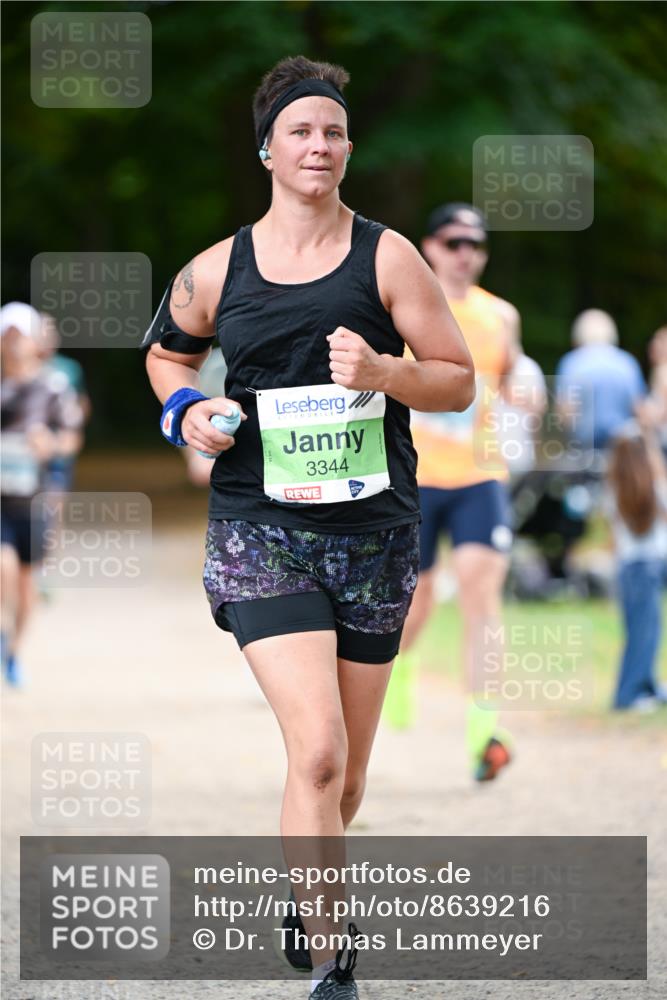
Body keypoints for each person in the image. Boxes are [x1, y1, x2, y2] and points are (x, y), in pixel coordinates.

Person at [142, 56, 474, 999]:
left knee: (348, 778)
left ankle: (306, 890)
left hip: (373, 532)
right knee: (317, 750)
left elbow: (456, 379)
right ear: (268, 149)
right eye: (301, 130)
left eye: (332, 131)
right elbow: (168, 357)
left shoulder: (389, 256)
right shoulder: (216, 268)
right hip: (261, 528)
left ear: (348, 149)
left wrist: (384, 373)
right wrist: (184, 415)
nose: (318, 145)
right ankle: (335, 959)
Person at [382, 203, 518, 784]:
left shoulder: (501, 316)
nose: (466, 253)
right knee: (417, 603)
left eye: (476, 244)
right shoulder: (404, 310)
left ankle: (483, 732)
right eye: (454, 242)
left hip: (481, 477)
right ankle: (402, 668)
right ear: (430, 247)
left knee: (482, 599)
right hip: (416, 479)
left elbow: (506, 385)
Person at [1, 302, 83, 686]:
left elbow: (71, 437)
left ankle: (14, 649)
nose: (15, 344)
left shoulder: (54, 384)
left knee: (26, 582)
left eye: (21, 336)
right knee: (4, 568)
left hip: (33, 496)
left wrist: (50, 443)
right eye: (8, 335)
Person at [607, 424, 667, 711]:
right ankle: (630, 694)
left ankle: (641, 687)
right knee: (647, 633)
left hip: (627, 567)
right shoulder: (654, 488)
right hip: (649, 566)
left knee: (639, 632)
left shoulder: (616, 490)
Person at [555, 309, 647, 457]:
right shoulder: (627, 363)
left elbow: (566, 413)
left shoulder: (572, 362)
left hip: (584, 451)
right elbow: (639, 409)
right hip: (621, 450)